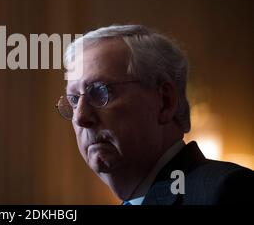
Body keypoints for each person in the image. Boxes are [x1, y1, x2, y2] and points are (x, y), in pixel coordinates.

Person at [56, 24, 253, 205]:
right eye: (74, 99)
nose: (81, 117)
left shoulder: (226, 191)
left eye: (100, 92)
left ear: (165, 102)